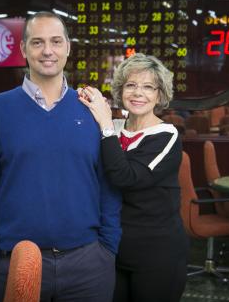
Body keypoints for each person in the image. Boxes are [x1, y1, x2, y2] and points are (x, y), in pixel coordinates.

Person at [0, 11, 122, 302]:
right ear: (23, 49)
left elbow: (108, 182)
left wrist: (107, 247)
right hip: (12, 262)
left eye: (56, 41)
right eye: (37, 42)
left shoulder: (92, 110)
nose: (47, 51)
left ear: (68, 47)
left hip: (88, 265)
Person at [78, 53, 189, 302]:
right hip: (112, 249)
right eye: (131, 85)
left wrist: (105, 123)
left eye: (148, 87)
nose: (138, 93)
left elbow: (125, 177)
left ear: (159, 95)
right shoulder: (113, 128)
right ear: (120, 90)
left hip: (156, 253)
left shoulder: (166, 135)